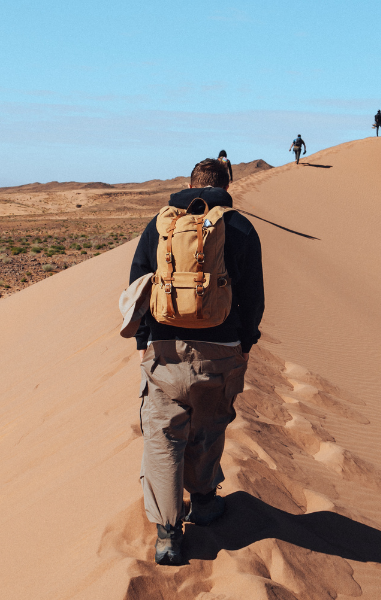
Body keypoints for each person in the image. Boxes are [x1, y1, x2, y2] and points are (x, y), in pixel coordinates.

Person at [128, 158, 264, 565]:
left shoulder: (159, 225)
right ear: (227, 187)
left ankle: (168, 535)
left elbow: (138, 284)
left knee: (162, 439)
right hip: (221, 352)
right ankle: (203, 502)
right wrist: (245, 344)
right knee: (207, 430)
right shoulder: (239, 227)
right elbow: (252, 297)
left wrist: (144, 340)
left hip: (164, 349)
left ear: (189, 185)